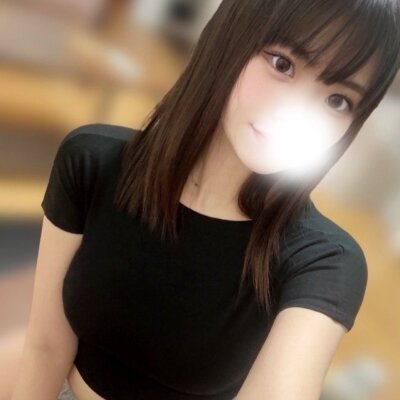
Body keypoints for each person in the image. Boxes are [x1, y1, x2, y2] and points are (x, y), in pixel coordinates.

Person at [12, 0, 400, 399]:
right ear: (230, 40)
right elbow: (46, 347)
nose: (298, 115)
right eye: (282, 64)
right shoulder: (91, 162)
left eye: (338, 100)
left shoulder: (325, 261)